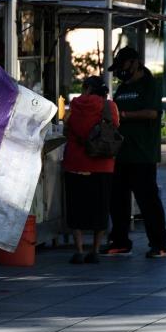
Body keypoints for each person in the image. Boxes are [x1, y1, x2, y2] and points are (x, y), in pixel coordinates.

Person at [102, 46, 166, 259]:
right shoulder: (123, 87)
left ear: (134, 63)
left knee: (148, 201)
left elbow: (151, 113)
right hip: (121, 153)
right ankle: (120, 242)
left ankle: (159, 244)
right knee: (117, 200)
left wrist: (123, 115)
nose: (121, 71)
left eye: (123, 65)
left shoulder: (149, 85)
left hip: (143, 154)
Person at [62, 75, 119, 264]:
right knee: (100, 208)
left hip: (75, 164)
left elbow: (67, 126)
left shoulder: (74, 105)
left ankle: (78, 250)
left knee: (76, 208)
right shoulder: (109, 107)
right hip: (102, 165)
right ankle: (94, 250)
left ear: (87, 88)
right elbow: (115, 127)